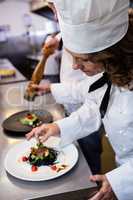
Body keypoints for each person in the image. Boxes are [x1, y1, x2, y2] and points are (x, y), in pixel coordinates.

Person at [26, 0, 133, 199]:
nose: (75, 66)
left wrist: (122, 180)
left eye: (82, 59)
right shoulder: (108, 76)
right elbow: (94, 109)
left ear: (109, 55)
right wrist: (58, 127)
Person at [41, 1, 102, 175]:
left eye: (55, 7)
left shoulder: (89, 31)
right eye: (52, 8)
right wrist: (51, 89)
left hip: (82, 105)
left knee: (90, 162)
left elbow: (92, 90)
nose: (75, 65)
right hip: (75, 106)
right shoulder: (64, 32)